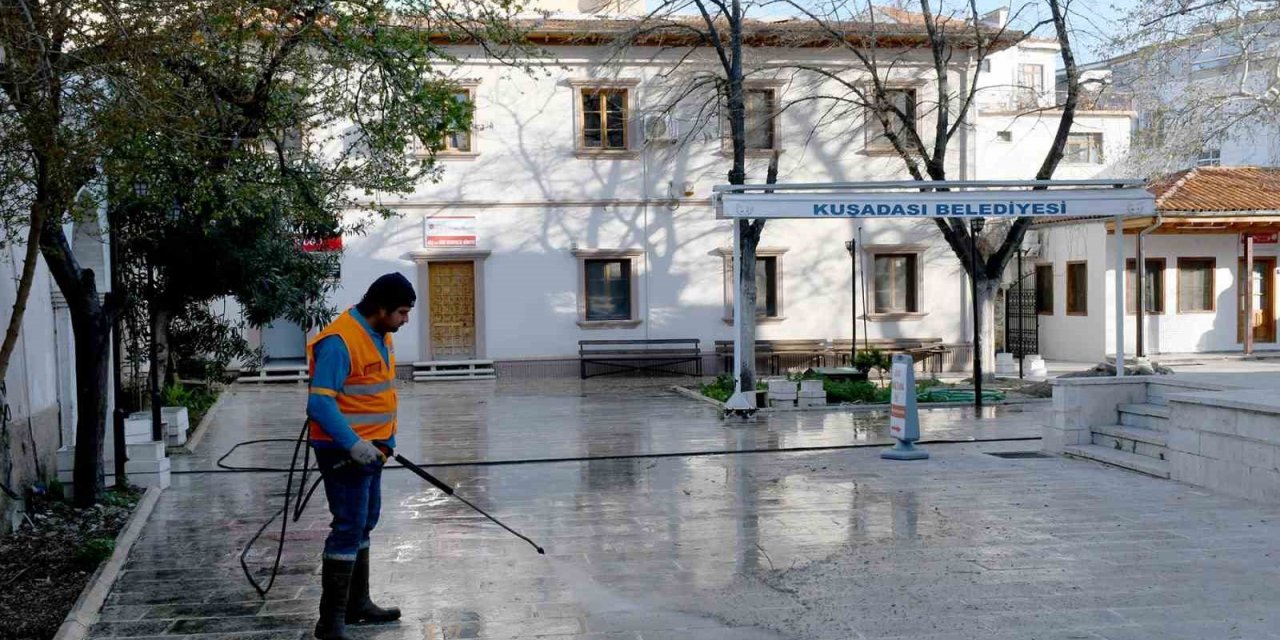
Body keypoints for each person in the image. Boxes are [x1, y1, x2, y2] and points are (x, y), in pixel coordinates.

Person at [306, 273, 415, 640]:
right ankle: (330, 621)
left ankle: (358, 604)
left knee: (365, 521)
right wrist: (354, 444)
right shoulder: (340, 341)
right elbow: (319, 403)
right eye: (401, 312)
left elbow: (378, 395)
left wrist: (388, 441)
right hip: (344, 450)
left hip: (374, 451)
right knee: (349, 525)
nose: (406, 319)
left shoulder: (381, 335)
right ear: (381, 308)